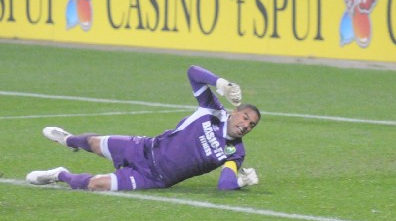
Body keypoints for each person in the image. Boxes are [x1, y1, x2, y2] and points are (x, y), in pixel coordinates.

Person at [26, 65, 261, 191]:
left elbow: (224, 184)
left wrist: (242, 182)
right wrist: (221, 83)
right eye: (245, 118)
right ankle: (68, 140)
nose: (246, 125)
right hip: (145, 148)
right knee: (93, 143)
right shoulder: (212, 110)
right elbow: (192, 72)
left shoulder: (235, 152)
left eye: (251, 125)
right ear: (235, 111)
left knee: (95, 185)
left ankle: (59, 174)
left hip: (152, 178)